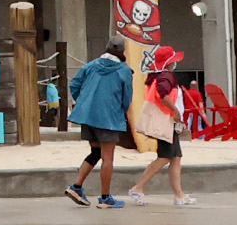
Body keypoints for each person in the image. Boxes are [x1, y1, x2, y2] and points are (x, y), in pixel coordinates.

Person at [120, 47, 198, 207]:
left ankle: (179, 195)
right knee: (165, 156)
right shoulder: (167, 76)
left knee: (175, 157)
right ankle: (138, 187)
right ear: (169, 63)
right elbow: (163, 94)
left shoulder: (156, 76)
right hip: (167, 122)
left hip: (167, 122)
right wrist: (175, 111)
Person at [63, 42, 136, 207]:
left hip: (88, 116)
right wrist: (120, 112)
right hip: (109, 118)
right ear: (122, 52)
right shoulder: (124, 70)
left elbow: (74, 85)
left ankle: (76, 186)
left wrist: (84, 101)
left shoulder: (92, 65)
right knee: (107, 157)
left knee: (95, 152)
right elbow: (127, 98)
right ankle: (105, 198)